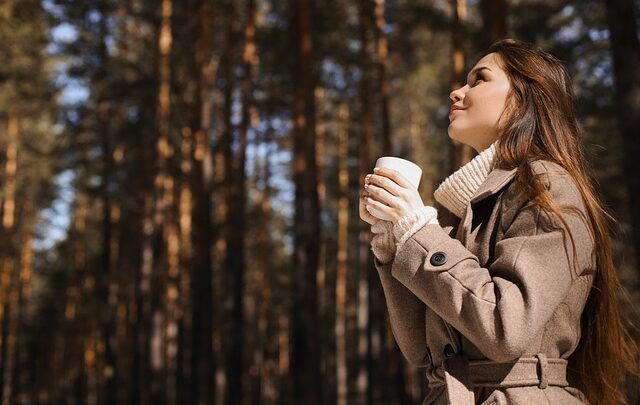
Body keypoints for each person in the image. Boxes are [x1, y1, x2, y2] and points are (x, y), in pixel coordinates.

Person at [359, 38, 638, 404]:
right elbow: (420, 350)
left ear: (523, 99)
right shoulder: (461, 213)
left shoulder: (546, 186)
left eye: (479, 80)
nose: (456, 92)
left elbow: (506, 327)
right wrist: (394, 238)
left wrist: (418, 231)